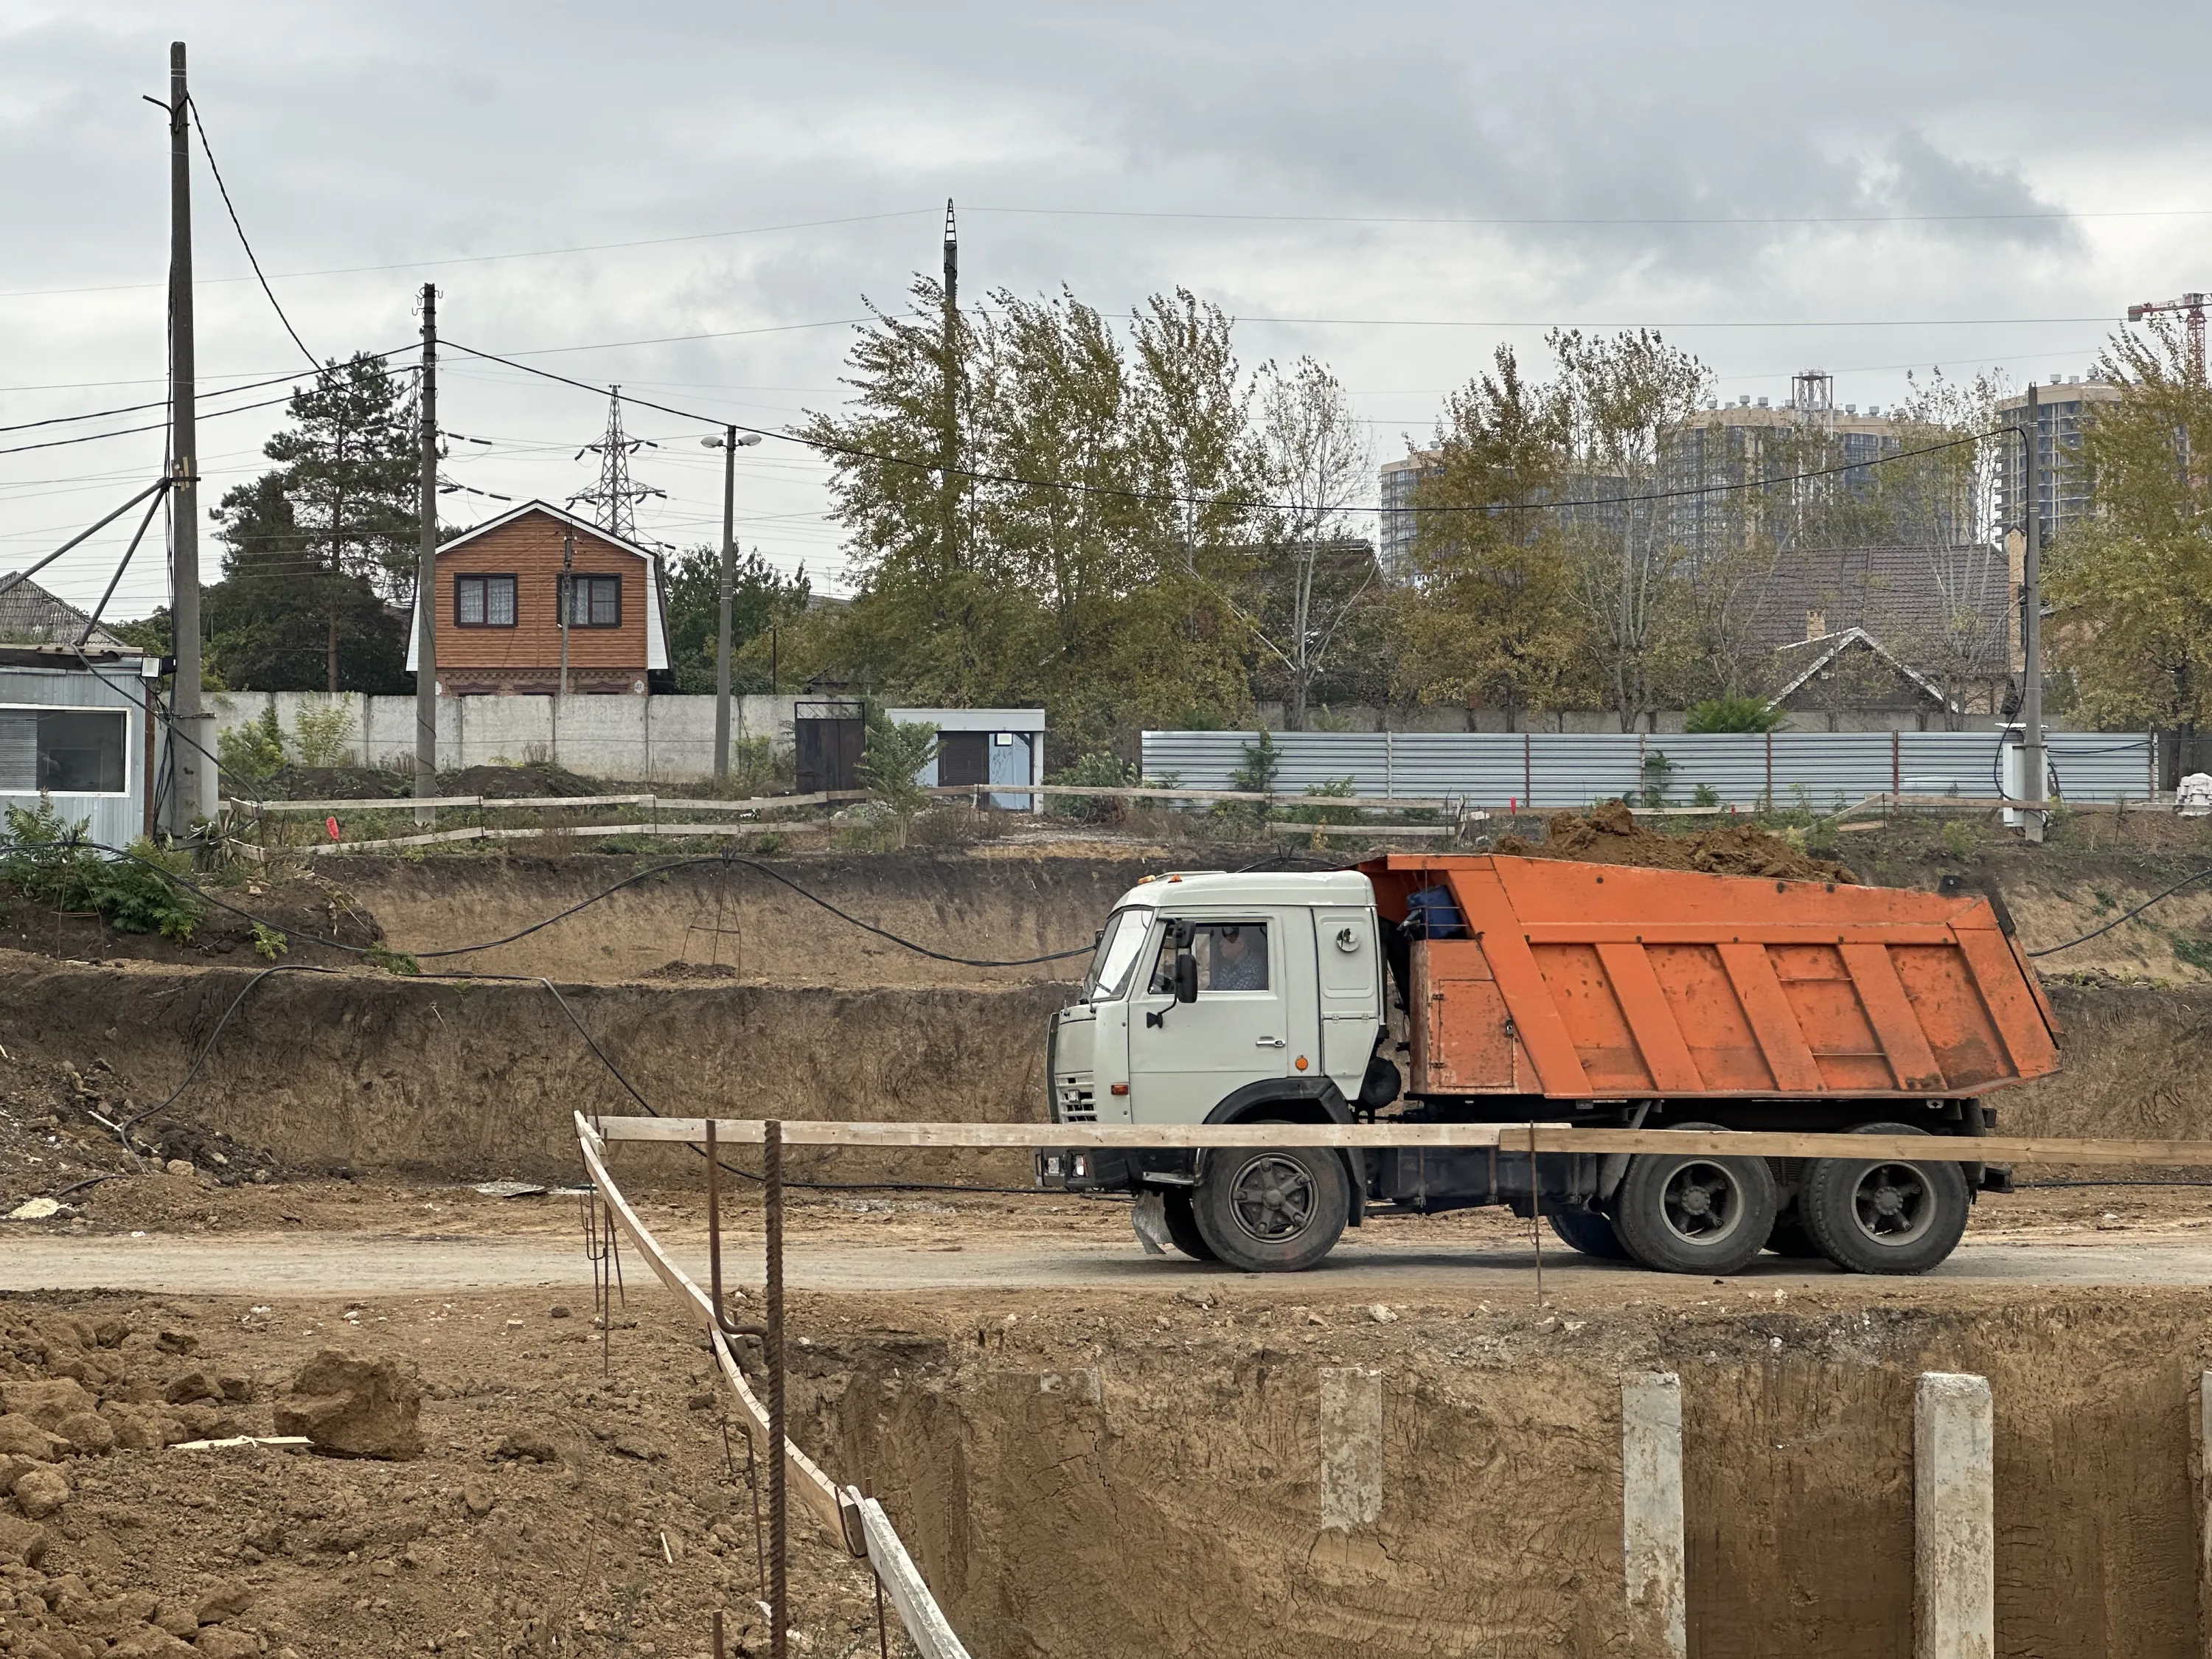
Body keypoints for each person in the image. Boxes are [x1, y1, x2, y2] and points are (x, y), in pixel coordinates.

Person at [1208, 925, 1267, 992]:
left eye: (1225, 941)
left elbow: (1230, 997)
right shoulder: (1229, 963)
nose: (1220, 944)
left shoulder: (1253, 970)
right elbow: (1218, 988)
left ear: (1240, 944)